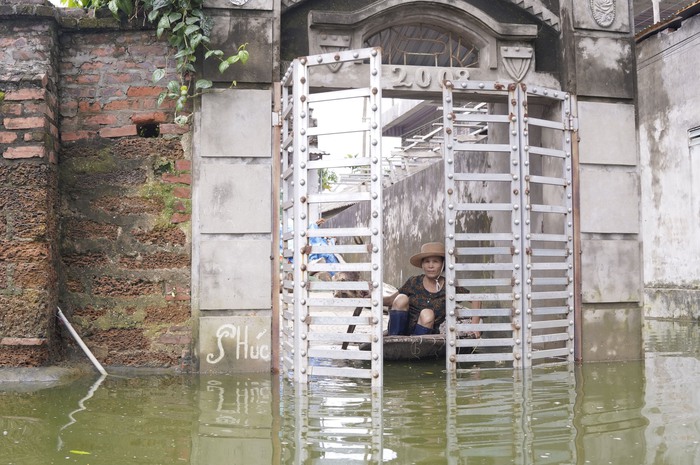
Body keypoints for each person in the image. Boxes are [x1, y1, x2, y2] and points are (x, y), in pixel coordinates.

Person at [382, 242, 481, 337]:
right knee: (401, 298)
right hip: (402, 330)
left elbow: (476, 298)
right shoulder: (413, 282)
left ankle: (414, 347)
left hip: (425, 335)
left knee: (427, 313)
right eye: (427, 262)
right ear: (422, 264)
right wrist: (372, 296)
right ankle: (394, 339)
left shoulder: (449, 286)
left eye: (435, 261)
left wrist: (474, 326)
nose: (430, 266)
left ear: (443, 264)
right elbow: (391, 300)